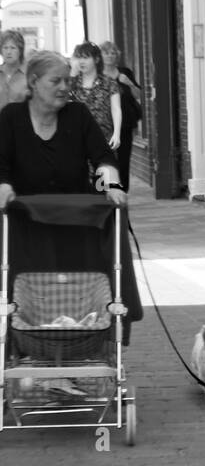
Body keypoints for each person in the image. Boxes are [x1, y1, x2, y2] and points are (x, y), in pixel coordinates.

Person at [0, 51, 141, 340]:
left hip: (75, 226)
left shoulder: (77, 115)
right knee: (26, 291)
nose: (65, 87)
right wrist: (3, 185)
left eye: (68, 79)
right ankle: (26, 344)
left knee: (78, 287)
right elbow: (0, 164)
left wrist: (111, 185)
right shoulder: (11, 117)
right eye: (56, 81)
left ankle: (83, 344)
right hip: (25, 228)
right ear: (34, 82)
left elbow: (102, 158)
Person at [99, 42, 141, 192]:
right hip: (103, 124)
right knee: (105, 160)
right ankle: (105, 190)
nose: (110, 56)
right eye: (106, 53)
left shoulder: (125, 73)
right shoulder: (97, 75)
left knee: (123, 160)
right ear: (100, 56)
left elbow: (139, 95)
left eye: (113, 53)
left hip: (124, 124)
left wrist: (129, 83)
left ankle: (122, 192)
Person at [70, 42, 121, 151]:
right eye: (79, 57)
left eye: (86, 57)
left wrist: (116, 133)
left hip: (103, 138)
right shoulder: (72, 84)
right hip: (78, 141)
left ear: (97, 59)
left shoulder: (109, 83)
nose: (82, 61)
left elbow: (116, 109)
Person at [0, 30, 28, 109]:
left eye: (13, 48)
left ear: (20, 51)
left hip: (21, 120)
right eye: (5, 48)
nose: (8, 52)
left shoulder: (28, 75)